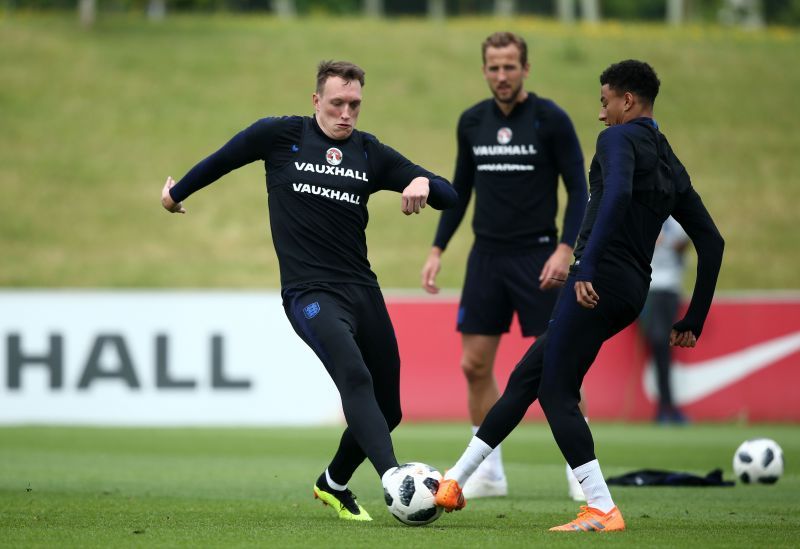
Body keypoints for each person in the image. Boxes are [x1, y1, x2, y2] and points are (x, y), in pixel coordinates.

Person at [434, 59, 724, 533]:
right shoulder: (670, 161)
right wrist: (696, 317)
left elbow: (615, 197)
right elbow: (712, 243)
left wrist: (584, 266)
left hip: (597, 280)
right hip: (631, 289)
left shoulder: (615, 139)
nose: (601, 114)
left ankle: (601, 508)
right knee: (528, 376)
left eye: (605, 101)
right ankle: (455, 480)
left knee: (554, 391)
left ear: (627, 100)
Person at [161, 60, 457, 521]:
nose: (346, 113)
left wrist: (423, 181)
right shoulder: (280, 136)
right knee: (355, 377)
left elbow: (449, 193)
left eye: (354, 104)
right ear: (316, 100)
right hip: (309, 294)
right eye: (336, 103)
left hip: (363, 290)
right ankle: (394, 478)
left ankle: (333, 483)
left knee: (390, 409)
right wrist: (176, 193)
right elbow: (222, 160)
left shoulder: (369, 153)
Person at [420, 31, 589, 500]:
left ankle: (581, 474)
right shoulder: (471, 122)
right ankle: (490, 473)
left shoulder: (551, 119)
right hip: (486, 259)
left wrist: (565, 248)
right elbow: (460, 191)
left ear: (525, 69)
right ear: (484, 70)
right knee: (474, 365)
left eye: (510, 66)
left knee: (559, 365)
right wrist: (437, 249)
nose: (501, 76)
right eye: (493, 67)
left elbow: (579, 189)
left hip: (540, 257)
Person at [639, 216, 691, 424]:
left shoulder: (677, 220)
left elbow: (684, 244)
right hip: (649, 290)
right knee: (659, 343)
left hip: (670, 289)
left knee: (665, 347)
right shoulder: (645, 213)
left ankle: (667, 407)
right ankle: (665, 407)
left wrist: (671, 241)